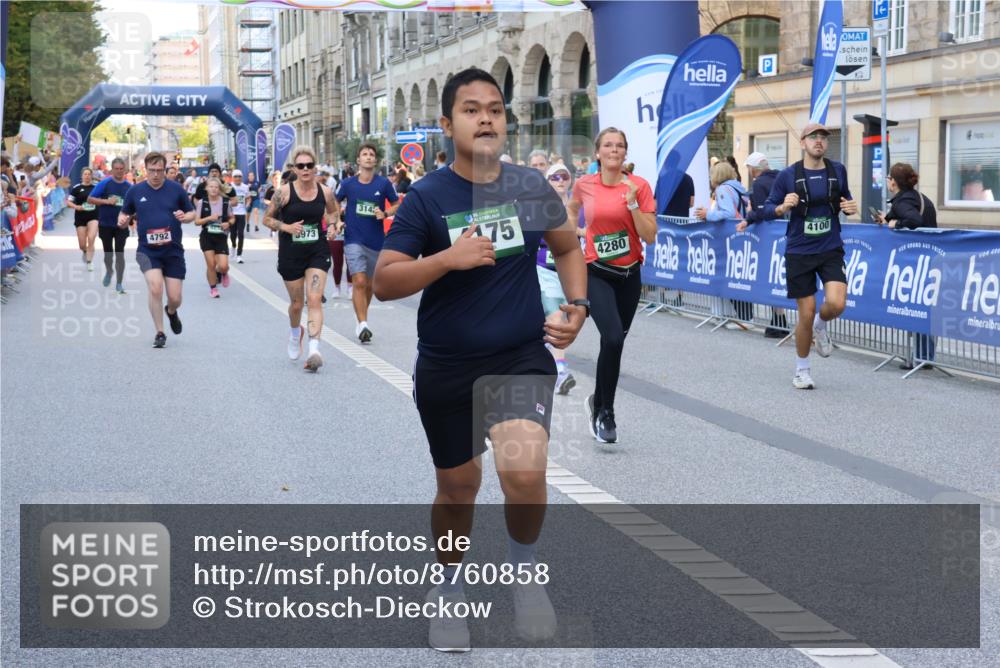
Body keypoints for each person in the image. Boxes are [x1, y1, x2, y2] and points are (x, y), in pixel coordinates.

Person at [374, 67, 588, 653]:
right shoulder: (427, 197)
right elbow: (385, 280)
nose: (486, 117)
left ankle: (523, 570)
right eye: (471, 109)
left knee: (524, 474)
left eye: (494, 108)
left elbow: (568, 247)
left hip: (518, 357)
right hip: (447, 364)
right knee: (458, 488)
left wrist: (578, 305)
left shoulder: (529, 186)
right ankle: (447, 588)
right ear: (447, 124)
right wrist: (448, 258)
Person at [756, 123, 859, 389]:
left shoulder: (838, 171)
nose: (819, 141)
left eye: (823, 137)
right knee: (806, 311)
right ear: (802, 142)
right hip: (799, 251)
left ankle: (821, 325)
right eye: (813, 137)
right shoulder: (788, 176)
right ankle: (802, 370)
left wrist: (849, 206)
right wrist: (782, 207)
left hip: (830, 248)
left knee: (836, 304)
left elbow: (844, 200)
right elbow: (766, 210)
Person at [570, 128, 656, 443]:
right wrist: (573, 234)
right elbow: (571, 210)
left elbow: (649, 235)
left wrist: (633, 205)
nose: (614, 150)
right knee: (613, 338)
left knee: (613, 343)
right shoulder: (584, 185)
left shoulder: (640, 187)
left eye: (619, 145)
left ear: (625, 153)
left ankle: (598, 400)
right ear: (598, 153)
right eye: (608, 145)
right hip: (596, 272)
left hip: (629, 274)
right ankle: (606, 413)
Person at [262, 146, 340, 372]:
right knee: (297, 304)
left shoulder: (325, 191)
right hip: (290, 254)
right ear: (294, 169)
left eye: (309, 165)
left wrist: (333, 225)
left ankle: (314, 349)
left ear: (315, 167)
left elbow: (334, 212)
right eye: (301, 166)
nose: (305, 169)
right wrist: (286, 226)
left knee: (314, 299)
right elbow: (267, 219)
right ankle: (296, 333)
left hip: (317, 251)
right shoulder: (284, 193)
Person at [117, 152, 196, 348]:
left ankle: (171, 311)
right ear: (145, 169)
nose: (155, 175)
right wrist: (122, 219)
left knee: (175, 298)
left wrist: (185, 217)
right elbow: (124, 212)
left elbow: (192, 213)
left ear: (165, 169)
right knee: (155, 288)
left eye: (159, 171)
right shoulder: (135, 191)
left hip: (173, 250)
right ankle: (160, 332)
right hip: (147, 250)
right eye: (151, 170)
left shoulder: (176, 189)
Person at [875, 162, 938, 370]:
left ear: (893, 182)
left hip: (915, 263)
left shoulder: (903, 201)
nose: (888, 181)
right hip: (931, 260)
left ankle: (921, 358)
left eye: (889, 178)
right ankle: (923, 356)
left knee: (916, 306)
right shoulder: (919, 197)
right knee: (924, 308)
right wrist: (887, 219)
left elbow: (913, 219)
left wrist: (895, 224)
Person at [336, 143, 399, 344]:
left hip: (376, 241)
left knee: (370, 285)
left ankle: (361, 318)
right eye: (365, 154)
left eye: (372, 154)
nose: (369, 157)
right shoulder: (347, 184)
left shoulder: (383, 184)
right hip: (353, 238)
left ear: (375, 160)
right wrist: (337, 219)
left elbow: (397, 203)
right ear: (358, 160)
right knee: (359, 281)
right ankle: (363, 324)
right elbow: (334, 202)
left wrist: (386, 213)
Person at [536, 161, 586, 395]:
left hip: (568, 273)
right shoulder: (542, 207)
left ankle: (545, 355)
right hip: (543, 270)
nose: (560, 181)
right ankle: (560, 371)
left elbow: (588, 232)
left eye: (564, 177)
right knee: (558, 315)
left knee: (561, 317)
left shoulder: (578, 207)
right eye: (554, 177)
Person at [697, 161, 753, 324]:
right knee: (739, 277)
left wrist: (708, 214)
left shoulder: (722, 189)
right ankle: (742, 317)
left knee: (731, 278)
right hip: (741, 236)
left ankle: (744, 319)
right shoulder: (738, 187)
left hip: (730, 238)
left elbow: (727, 212)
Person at [743, 152, 787, 338]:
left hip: (768, 235)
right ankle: (779, 321)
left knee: (772, 277)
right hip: (784, 231)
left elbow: (762, 211)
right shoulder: (780, 178)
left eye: (749, 169)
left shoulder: (759, 184)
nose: (749, 172)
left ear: (755, 169)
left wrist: (749, 216)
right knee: (778, 277)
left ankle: (779, 322)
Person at [88, 158, 132, 293]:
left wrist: (129, 218)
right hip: (106, 224)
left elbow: (134, 207)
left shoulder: (129, 187)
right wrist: (107, 201)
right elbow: (90, 199)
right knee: (108, 254)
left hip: (121, 226)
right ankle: (109, 271)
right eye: (116, 169)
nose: (119, 171)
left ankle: (119, 283)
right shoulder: (105, 183)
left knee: (120, 253)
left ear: (125, 170)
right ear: (112, 170)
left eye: (121, 169)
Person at [193, 177, 234, 298]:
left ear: (219, 188)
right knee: (210, 265)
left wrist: (229, 223)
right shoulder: (202, 202)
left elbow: (232, 217)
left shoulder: (226, 202)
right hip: (206, 236)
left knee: (223, 265)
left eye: (216, 187)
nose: (214, 189)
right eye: (211, 187)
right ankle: (213, 288)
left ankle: (224, 272)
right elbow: (197, 222)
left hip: (221, 236)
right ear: (207, 188)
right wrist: (209, 218)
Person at [67, 167, 100, 271]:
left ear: (91, 176)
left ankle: (90, 262)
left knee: (91, 238)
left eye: (89, 174)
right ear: (82, 176)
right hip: (80, 217)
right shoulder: (77, 188)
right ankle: (85, 251)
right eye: (85, 174)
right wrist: (77, 207)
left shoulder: (96, 187)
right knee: (82, 245)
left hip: (94, 216)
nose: (87, 176)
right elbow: (68, 202)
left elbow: (103, 199)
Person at [228, 169, 251, 263]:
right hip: (232, 213)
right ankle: (233, 246)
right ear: (232, 178)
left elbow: (248, 198)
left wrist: (248, 204)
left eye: (239, 176)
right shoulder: (229, 186)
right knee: (233, 234)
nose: (237, 178)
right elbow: (225, 198)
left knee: (241, 234)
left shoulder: (245, 187)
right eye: (235, 176)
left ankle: (239, 255)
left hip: (241, 213)